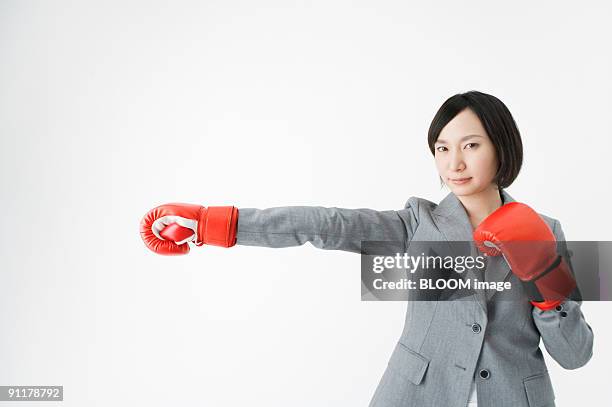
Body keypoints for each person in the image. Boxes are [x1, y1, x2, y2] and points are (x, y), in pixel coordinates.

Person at [139, 91, 594, 407]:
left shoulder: (547, 231)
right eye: (442, 147)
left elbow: (576, 355)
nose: (454, 162)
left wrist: (548, 287)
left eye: (471, 145)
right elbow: (324, 224)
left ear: (501, 148)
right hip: (418, 394)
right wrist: (215, 224)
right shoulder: (419, 221)